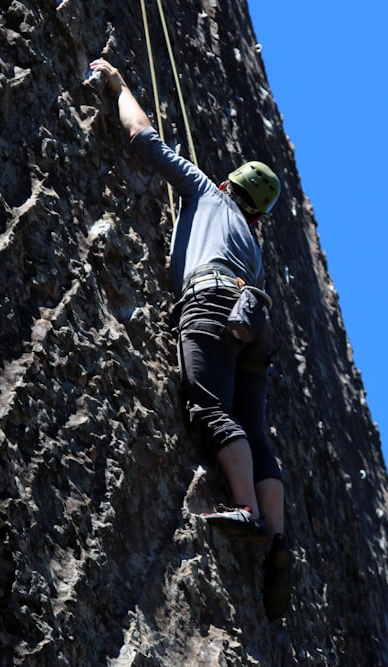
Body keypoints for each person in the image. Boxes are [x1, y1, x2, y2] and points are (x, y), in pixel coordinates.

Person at [89, 57, 291, 621]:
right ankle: (278, 539)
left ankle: (247, 509)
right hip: (255, 322)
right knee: (256, 428)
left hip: (212, 304)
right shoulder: (254, 245)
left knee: (208, 406)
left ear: (231, 185)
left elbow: (143, 140)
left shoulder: (208, 193)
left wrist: (119, 84)